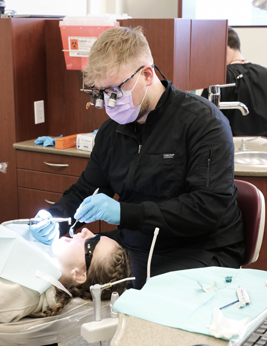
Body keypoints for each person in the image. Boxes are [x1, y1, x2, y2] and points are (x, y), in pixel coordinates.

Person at [30, 26, 245, 290]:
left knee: (126, 298)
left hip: (200, 248)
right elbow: (88, 189)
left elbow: (205, 209)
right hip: (136, 243)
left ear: (147, 74)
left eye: (115, 91)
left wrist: (124, 213)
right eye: (101, 94)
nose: (108, 104)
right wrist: (54, 218)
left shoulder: (203, 123)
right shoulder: (112, 132)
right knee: (54, 275)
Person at [0, 226, 130, 323]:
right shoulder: (43, 265)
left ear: (79, 275)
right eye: (96, 234)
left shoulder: (24, 291)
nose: (85, 230)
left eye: (91, 242)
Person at [202, 26, 267, 136]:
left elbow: (202, 118)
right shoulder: (265, 73)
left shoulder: (219, 79)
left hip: (231, 147)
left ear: (221, 47)